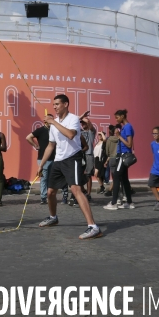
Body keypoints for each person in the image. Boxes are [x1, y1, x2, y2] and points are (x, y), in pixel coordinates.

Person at [37, 94, 102, 239]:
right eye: (53, 104)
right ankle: (53, 217)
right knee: (50, 192)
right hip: (58, 160)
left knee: (76, 189)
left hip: (72, 158)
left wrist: (53, 122)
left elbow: (71, 135)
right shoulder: (54, 124)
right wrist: (41, 165)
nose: (54, 107)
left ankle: (93, 227)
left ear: (66, 104)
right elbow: (51, 145)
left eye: (57, 104)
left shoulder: (72, 119)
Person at [104, 109, 135, 210]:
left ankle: (114, 203)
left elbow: (129, 144)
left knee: (116, 177)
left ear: (122, 116)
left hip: (123, 155)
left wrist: (119, 136)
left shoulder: (128, 127)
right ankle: (129, 202)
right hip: (122, 154)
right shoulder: (125, 127)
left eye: (117, 117)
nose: (116, 120)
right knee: (124, 179)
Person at [26, 115, 55, 205]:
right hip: (43, 159)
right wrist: (35, 145)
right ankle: (43, 197)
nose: (52, 121)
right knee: (44, 178)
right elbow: (28, 137)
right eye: (50, 120)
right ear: (45, 121)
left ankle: (50, 196)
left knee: (52, 179)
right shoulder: (40, 130)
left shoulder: (55, 130)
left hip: (54, 158)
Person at [79, 112, 96, 199]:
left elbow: (91, 127)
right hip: (81, 154)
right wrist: (81, 118)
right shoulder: (79, 132)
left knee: (88, 175)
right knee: (78, 174)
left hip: (89, 154)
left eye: (84, 123)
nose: (83, 124)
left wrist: (88, 121)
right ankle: (83, 190)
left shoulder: (91, 132)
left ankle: (88, 194)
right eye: (82, 123)